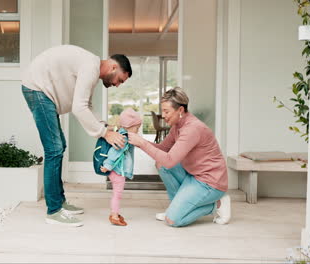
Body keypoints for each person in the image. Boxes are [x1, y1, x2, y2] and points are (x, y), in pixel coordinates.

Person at [22, 45, 132, 227]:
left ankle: (59, 201)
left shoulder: (91, 68)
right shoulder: (90, 67)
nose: (117, 85)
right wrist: (105, 134)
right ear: (113, 67)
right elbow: (78, 108)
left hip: (43, 92)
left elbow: (86, 104)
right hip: (37, 89)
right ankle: (54, 210)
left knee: (59, 147)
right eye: (120, 80)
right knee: (54, 149)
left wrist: (105, 126)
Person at [128, 87, 231, 227]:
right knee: (161, 164)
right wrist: (139, 141)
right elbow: (163, 149)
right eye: (162, 110)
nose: (163, 115)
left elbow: (170, 161)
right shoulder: (177, 125)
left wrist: (141, 143)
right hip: (194, 175)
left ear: (180, 110)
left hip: (210, 182)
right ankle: (176, 208)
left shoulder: (192, 129)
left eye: (166, 111)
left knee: (173, 220)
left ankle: (216, 204)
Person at [100, 108, 142, 226]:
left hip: (116, 170)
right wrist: (108, 165)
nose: (138, 130)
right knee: (117, 194)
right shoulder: (124, 138)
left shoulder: (122, 134)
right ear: (130, 126)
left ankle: (115, 213)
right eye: (137, 128)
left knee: (117, 193)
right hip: (117, 171)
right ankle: (114, 215)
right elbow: (115, 152)